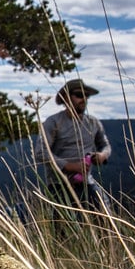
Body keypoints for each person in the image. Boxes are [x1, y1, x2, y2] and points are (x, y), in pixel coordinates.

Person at [34, 78, 112, 212]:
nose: (84, 99)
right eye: (79, 95)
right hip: (59, 185)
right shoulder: (53, 122)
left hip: (86, 183)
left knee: (106, 217)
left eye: (86, 95)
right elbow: (40, 152)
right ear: (65, 97)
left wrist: (102, 155)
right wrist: (69, 166)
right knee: (62, 228)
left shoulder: (93, 123)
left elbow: (105, 145)